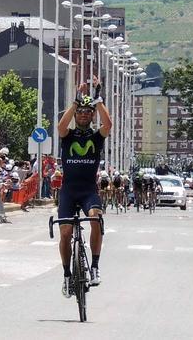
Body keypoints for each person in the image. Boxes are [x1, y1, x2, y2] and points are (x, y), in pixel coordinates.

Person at [57, 93, 111, 297]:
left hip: (89, 190)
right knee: (65, 232)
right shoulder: (68, 135)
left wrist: (98, 100)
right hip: (69, 191)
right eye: (80, 112)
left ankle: (95, 266)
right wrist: (74, 103)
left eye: (88, 112)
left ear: (92, 115)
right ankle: (67, 275)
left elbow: (108, 124)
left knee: (96, 218)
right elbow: (60, 126)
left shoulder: (96, 137)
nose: (83, 115)